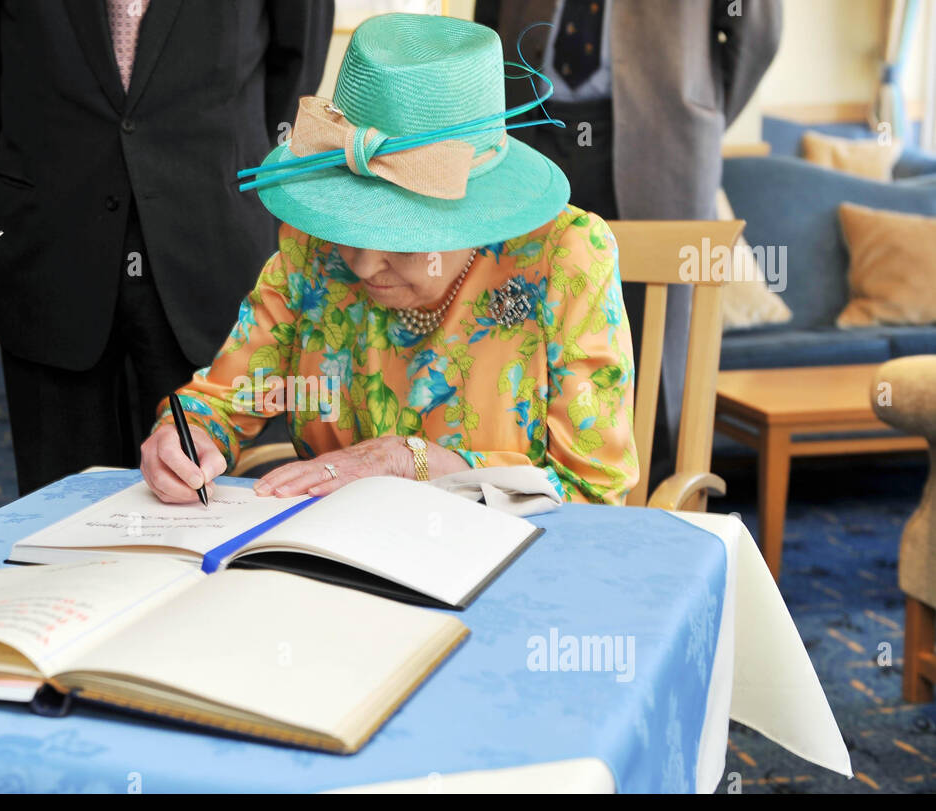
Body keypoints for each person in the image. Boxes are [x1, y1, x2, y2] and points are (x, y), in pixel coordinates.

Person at [140, 13, 637, 505]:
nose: (360, 264)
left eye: (400, 239)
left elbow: (592, 491)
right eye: (348, 226)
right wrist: (185, 439)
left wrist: (421, 462)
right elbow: (223, 401)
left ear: (478, 210)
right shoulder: (313, 246)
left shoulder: (565, 257)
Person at [0, 0, 334, 495]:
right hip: (53, 247)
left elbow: (294, 62)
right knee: (63, 518)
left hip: (211, 244)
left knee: (209, 508)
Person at [474, 0, 782, 462]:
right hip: (531, 131)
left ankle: (652, 506)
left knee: (653, 344)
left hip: (660, 141)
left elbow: (755, 29)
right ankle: (523, 488)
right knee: (519, 325)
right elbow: (491, 19)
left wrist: (700, 108)